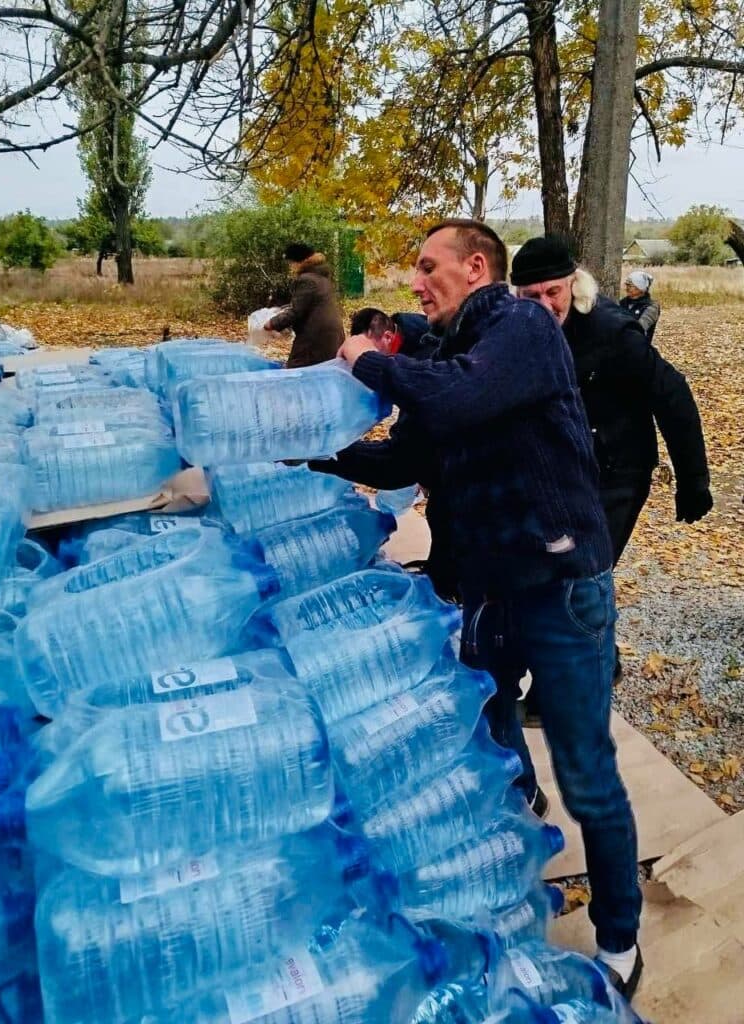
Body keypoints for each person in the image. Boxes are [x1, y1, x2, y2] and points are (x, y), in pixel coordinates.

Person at [338, 219, 643, 999]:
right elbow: (408, 454)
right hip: (493, 583)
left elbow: (465, 397)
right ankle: (520, 802)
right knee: (486, 708)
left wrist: (370, 361)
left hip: (561, 585)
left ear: (477, 268)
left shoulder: (521, 326)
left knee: (587, 769)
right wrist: (301, 448)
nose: (414, 284)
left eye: (427, 267)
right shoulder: (451, 354)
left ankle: (619, 935)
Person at [511, 237, 712, 574]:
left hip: (619, 470)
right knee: (539, 572)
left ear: (572, 285)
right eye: (532, 296)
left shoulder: (612, 332)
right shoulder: (515, 330)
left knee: (583, 575)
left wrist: (693, 482)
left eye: (553, 293)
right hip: (561, 467)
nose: (544, 305)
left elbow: (672, 394)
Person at [310, 306, 460, 599]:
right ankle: (441, 581)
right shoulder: (424, 337)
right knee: (441, 513)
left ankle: (447, 593)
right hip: (451, 472)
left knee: (449, 516)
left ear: (389, 337)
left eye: (367, 353)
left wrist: (322, 453)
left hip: (478, 486)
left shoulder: (425, 360)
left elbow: (399, 462)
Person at [263, 243, 344, 368]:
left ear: (297, 261)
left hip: (316, 337)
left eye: (291, 263)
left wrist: (272, 323)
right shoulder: (322, 278)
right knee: (321, 373)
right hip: (331, 335)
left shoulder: (307, 279)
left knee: (297, 372)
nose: (290, 267)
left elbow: (296, 312)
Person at [620, 270, 661, 342]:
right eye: (626, 285)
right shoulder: (622, 302)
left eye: (630, 286)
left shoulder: (651, 307)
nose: (627, 288)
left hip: (639, 349)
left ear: (640, 287)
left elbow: (640, 328)